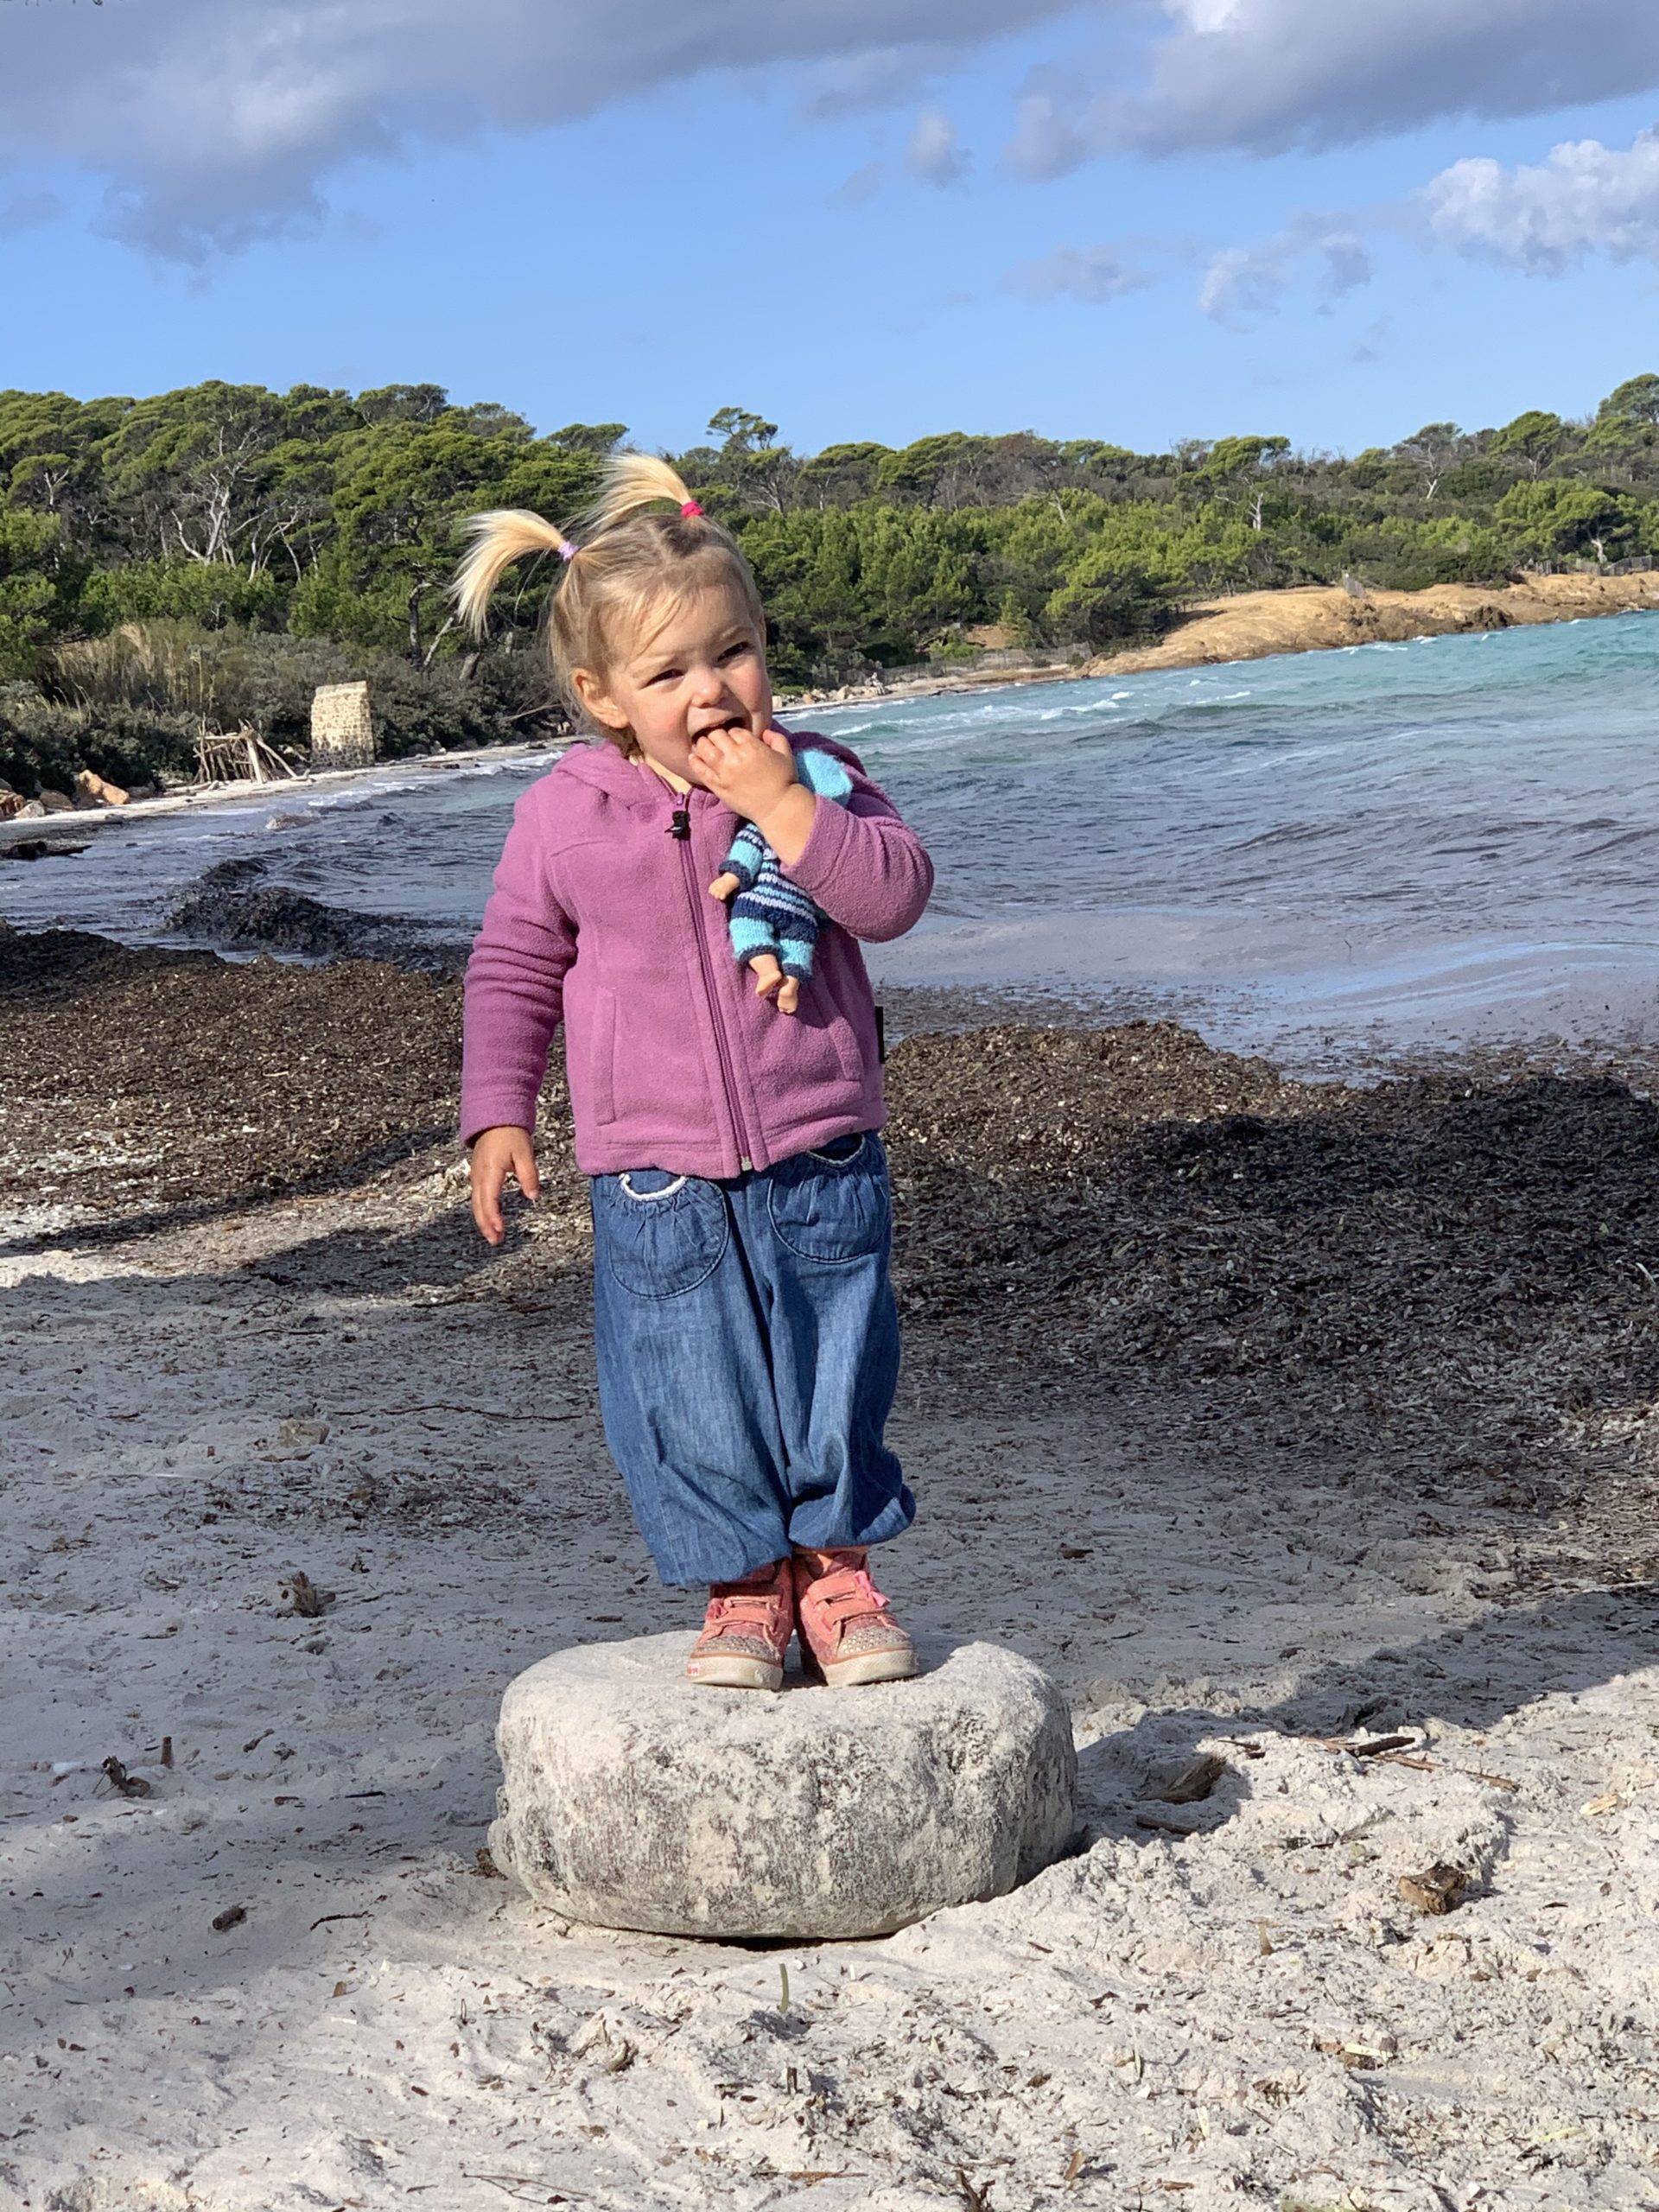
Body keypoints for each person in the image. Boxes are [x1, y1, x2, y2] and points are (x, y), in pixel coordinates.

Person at [454, 454, 934, 1694]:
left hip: (820, 1137)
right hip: (651, 1162)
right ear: (604, 696)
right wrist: (499, 1111)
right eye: (668, 673)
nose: (711, 689)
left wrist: (783, 806)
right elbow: (513, 964)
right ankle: (742, 1583)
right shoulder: (562, 816)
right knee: (684, 1375)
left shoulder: (816, 774)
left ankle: (836, 1568)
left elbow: (892, 897)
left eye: (733, 653)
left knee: (836, 1354)